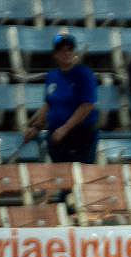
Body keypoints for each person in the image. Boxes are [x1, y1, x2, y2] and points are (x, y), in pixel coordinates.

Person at [23, 32, 99, 164]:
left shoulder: (84, 74)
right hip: (57, 134)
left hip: (80, 134)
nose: (66, 53)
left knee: (79, 173)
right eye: (62, 50)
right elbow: (48, 103)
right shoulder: (52, 76)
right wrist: (36, 126)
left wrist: (65, 128)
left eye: (70, 49)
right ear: (55, 55)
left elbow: (87, 105)